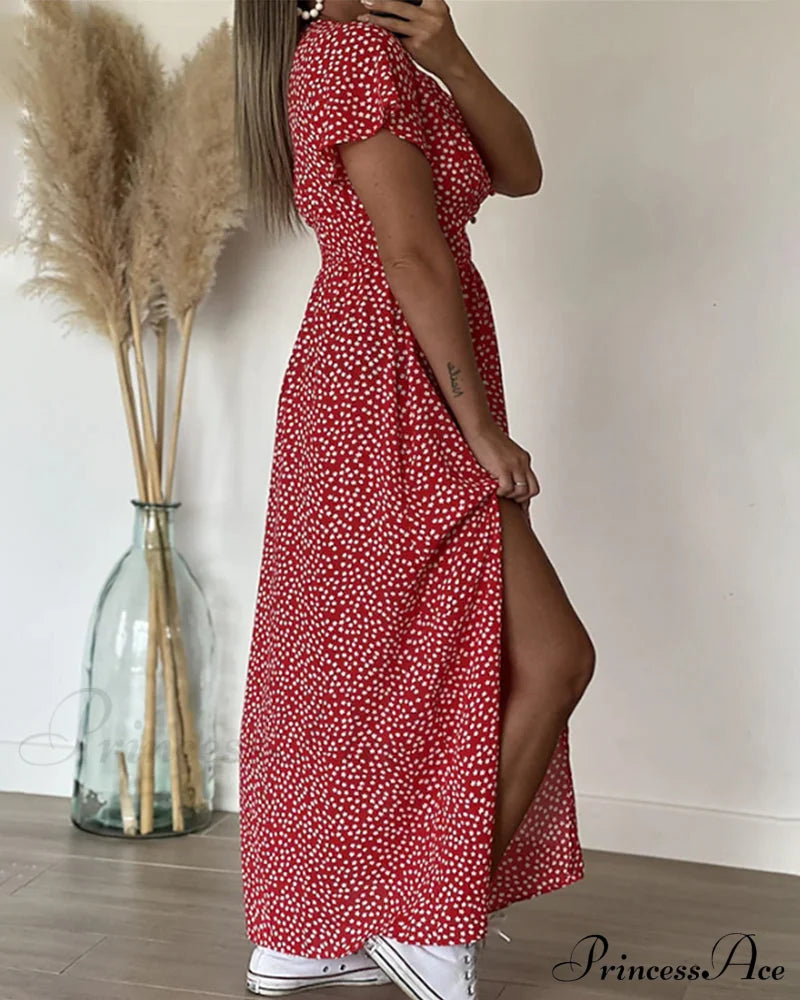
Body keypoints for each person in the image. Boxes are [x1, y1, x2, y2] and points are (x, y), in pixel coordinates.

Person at [233, 1, 596, 997]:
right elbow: (411, 253)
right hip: (393, 383)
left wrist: (452, 54)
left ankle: (318, 934)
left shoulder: (384, 54)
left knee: (372, 661)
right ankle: (421, 920)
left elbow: (519, 170)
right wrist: (476, 427)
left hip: (390, 373)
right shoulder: (349, 52)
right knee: (546, 657)